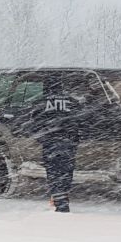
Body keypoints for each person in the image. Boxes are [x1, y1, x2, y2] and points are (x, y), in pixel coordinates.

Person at [33, 72, 81, 212]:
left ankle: (60, 204)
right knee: (66, 172)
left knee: (53, 172)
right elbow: (81, 120)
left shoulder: (40, 102)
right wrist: (75, 138)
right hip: (68, 142)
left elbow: (34, 123)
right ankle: (63, 199)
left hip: (50, 142)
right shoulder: (71, 101)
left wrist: (41, 138)